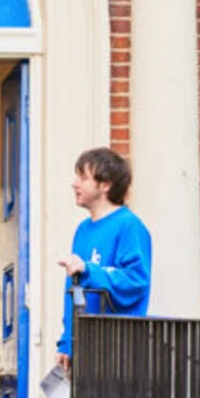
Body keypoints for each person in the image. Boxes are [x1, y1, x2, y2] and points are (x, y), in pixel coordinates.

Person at [56, 147, 152, 368]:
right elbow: (75, 289)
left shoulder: (129, 225)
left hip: (116, 349)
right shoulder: (82, 229)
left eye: (83, 177)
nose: (75, 184)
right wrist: (66, 343)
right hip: (84, 348)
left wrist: (90, 271)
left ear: (106, 184)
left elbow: (135, 281)